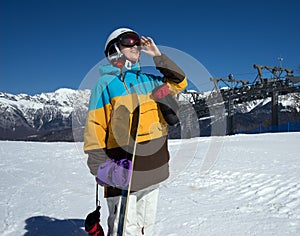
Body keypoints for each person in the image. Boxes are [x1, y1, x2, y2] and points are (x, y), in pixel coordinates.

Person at [84, 27, 187, 236]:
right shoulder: (105, 84)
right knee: (124, 229)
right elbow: (95, 125)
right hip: (122, 168)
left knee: (145, 227)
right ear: (114, 48)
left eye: (137, 42)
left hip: (154, 165)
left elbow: (179, 82)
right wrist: (98, 166)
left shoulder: (150, 83)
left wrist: (158, 57)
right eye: (128, 41)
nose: (135, 46)